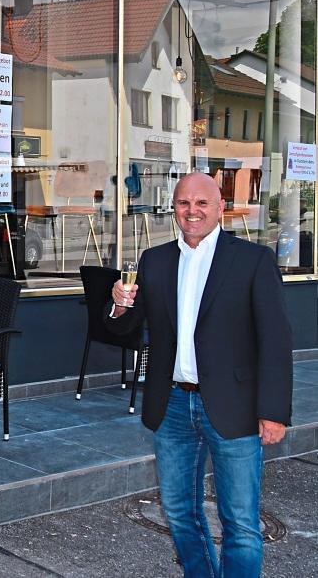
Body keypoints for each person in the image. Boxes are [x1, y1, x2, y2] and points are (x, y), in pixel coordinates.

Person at [108, 172, 291, 577]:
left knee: (240, 522)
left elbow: (276, 341)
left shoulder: (252, 260)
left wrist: (274, 410)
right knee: (178, 511)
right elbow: (125, 328)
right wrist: (120, 305)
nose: (192, 212)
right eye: (183, 204)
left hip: (234, 406)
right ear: (173, 208)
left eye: (202, 203)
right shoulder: (154, 260)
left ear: (220, 207)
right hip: (172, 404)